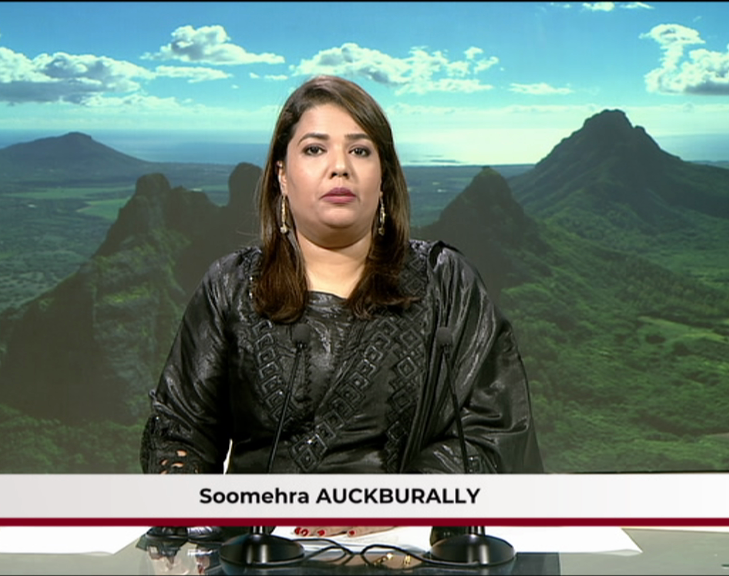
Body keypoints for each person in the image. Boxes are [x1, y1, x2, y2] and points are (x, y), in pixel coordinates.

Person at [140, 74, 543, 540]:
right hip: (258, 553)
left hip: (412, 547)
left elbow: (497, 427)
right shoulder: (230, 286)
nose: (340, 167)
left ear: (384, 177)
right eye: (315, 149)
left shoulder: (446, 281)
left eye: (360, 150)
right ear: (282, 175)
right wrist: (190, 516)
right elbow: (180, 432)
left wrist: (397, 503)